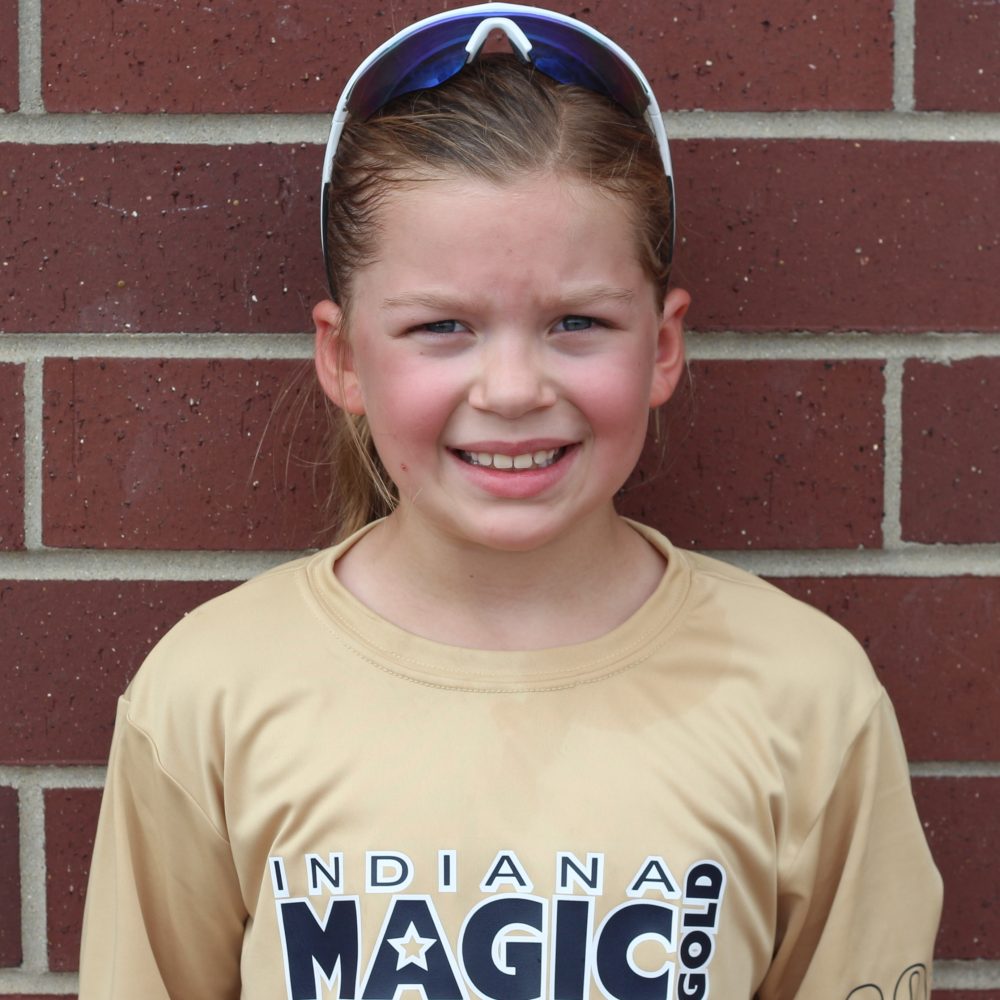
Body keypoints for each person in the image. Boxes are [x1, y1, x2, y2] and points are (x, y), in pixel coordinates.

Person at [78, 5, 942, 998]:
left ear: (662, 347)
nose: (514, 388)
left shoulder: (803, 696)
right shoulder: (211, 693)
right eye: (442, 327)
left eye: (576, 322)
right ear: (343, 357)